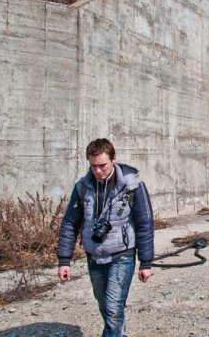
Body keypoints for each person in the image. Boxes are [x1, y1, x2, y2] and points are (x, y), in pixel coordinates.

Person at [57, 138, 154, 337]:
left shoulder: (132, 185)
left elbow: (145, 223)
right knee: (104, 306)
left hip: (122, 255)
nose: (98, 171)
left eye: (102, 165)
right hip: (94, 256)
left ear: (113, 159)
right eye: (93, 166)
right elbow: (70, 223)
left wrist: (146, 263)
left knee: (113, 307)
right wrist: (64, 260)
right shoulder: (82, 187)